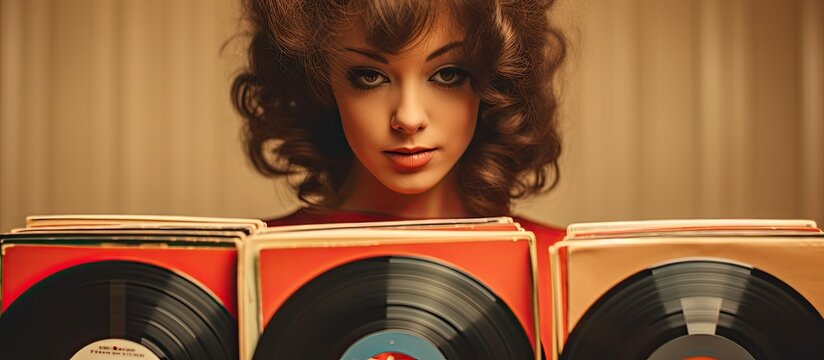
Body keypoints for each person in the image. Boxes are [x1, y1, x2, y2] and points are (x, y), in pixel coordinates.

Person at [232, 0, 566, 357]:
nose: (408, 118)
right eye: (370, 76)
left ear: (493, 78)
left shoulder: (563, 270)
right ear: (318, 79)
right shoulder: (243, 266)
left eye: (448, 74)